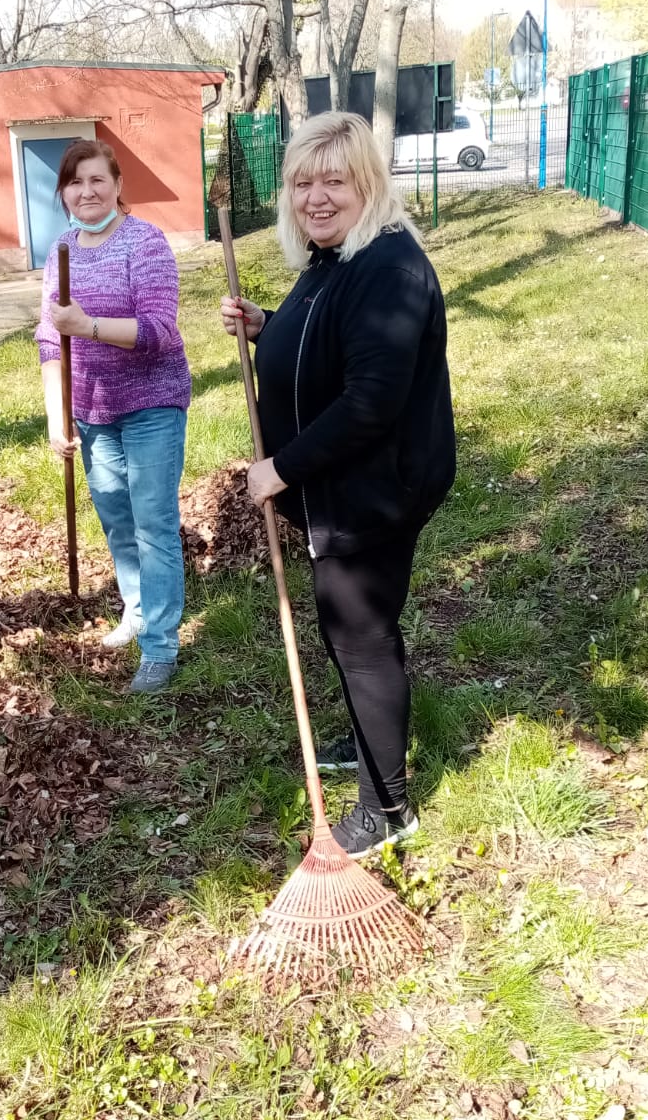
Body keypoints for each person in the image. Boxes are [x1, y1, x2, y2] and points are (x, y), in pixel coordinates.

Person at [219, 111, 456, 857]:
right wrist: (267, 325)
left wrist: (279, 470)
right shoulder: (335, 260)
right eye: (301, 183)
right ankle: (368, 740)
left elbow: (370, 402)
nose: (315, 198)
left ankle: (388, 808)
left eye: (334, 181)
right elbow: (325, 333)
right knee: (347, 632)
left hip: (374, 491)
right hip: (339, 487)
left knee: (361, 637)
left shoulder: (389, 268)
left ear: (367, 184)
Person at [37, 139, 191, 694]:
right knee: (118, 520)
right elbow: (50, 341)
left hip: (152, 404)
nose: (87, 192)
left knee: (152, 524)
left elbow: (159, 332)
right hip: (92, 411)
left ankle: (161, 647)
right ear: (65, 192)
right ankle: (138, 610)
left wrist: (90, 325)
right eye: (75, 183)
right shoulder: (61, 250)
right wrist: (58, 417)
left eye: (97, 180)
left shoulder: (144, 243)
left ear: (119, 184)